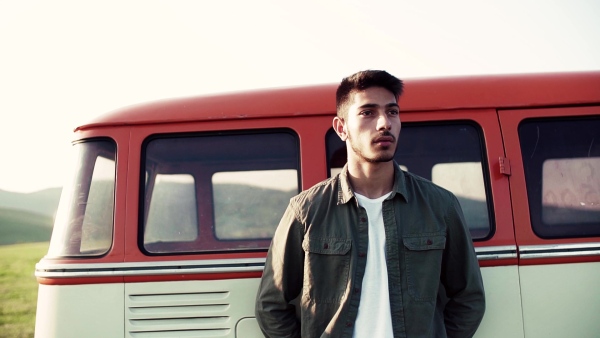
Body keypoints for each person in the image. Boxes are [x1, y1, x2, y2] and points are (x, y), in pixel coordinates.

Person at [255, 70, 485, 337]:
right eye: (368, 113)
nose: (384, 123)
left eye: (392, 112)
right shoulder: (306, 210)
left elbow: (469, 298)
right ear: (341, 128)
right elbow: (271, 305)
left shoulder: (439, 206)